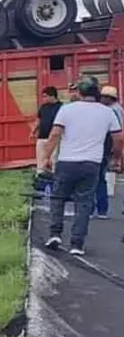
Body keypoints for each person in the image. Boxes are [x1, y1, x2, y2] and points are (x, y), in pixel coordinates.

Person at [43, 75, 123, 255]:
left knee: (58, 198)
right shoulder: (107, 112)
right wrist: (117, 159)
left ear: (79, 92)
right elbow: (118, 139)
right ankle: (77, 244)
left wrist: (47, 157)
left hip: (66, 162)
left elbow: (55, 134)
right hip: (91, 163)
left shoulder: (67, 109)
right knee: (84, 203)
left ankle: (55, 234)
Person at [92, 85, 124, 219]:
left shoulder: (113, 111)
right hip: (108, 146)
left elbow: (117, 132)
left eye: (103, 97)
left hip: (107, 146)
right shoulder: (114, 109)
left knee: (98, 179)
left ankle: (99, 209)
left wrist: (116, 154)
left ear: (109, 98)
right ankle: (101, 209)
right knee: (100, 178)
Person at [32, 86, 62, 174]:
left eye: (45, 96)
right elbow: (38, 120)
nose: (43, 99)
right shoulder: (43, 107)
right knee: (40, 158)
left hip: (54, 138)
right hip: (42, 137)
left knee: (54, 159)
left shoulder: (61, 107)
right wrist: (33, 131)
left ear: (52, 96)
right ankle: (40, 175)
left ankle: (54, 176)